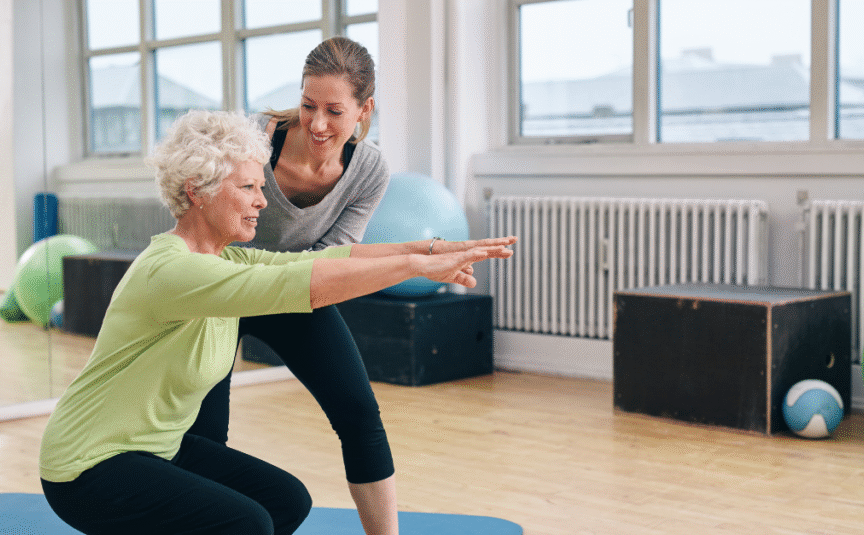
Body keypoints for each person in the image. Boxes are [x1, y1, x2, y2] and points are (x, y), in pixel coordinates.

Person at [38, 109, 516, 535]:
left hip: (155, 449)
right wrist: (415, 267)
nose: (262, 202)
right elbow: (309, 287)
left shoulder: (230, 260)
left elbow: (328, 260)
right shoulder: (174, 271)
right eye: (247, 187)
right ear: (197, 192)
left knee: (286, 502)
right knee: (246, 523)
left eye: (260, 187)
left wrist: (429, 249)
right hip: (89, 467)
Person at [186, 36, 432, 535]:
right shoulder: (254, 140)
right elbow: (195, 214)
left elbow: (335, 259)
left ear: (365, 109)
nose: (318, 125)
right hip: (223, 287)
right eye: (307, 106)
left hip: (294, 288)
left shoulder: (368, 170)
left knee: (359, 413)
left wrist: (416, 259)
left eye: (334, 111)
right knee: (205, 433)